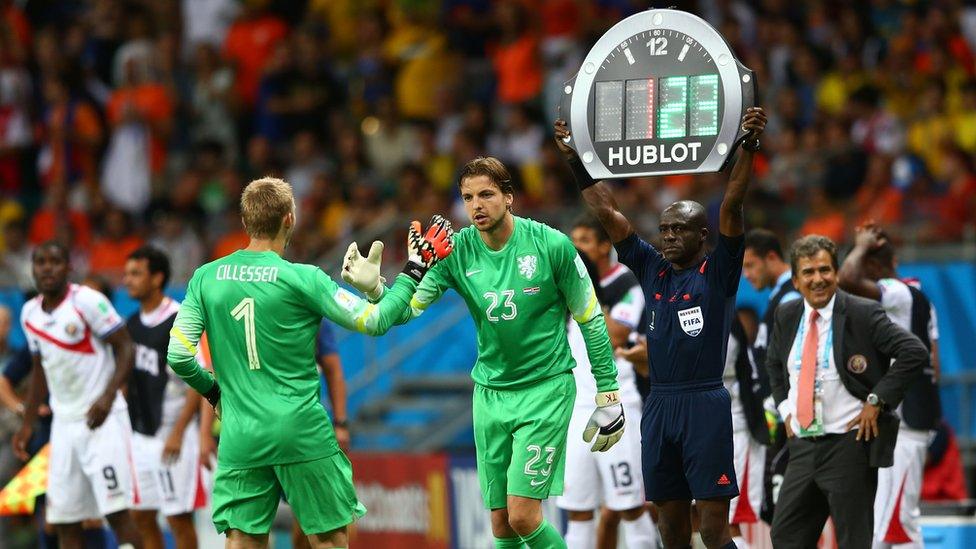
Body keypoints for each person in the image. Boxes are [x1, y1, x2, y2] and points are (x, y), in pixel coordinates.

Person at [342, 157, 625, 549]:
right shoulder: (454, 252)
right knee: (500, 524)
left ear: (509, 197)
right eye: (468, 197)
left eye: (487, 195)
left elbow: (591, 318)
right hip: (490, 394)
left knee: (523, 515)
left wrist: (608, 391)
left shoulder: (551, 245)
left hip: (545, 390)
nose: (477, 205)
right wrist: (377, 291)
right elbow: (404, 312)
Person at [166, 177, 453, 548]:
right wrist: (414, 268)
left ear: (245, 220)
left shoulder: (206, 278)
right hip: (299, 429)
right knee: (328, 541)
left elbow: (178, 355)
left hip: (240, 434)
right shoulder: (303, 279)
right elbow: (377, 320)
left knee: (242, 541)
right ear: (289, 219)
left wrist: (215, 393)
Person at [554, 108, 768, 549]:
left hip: (705, 404)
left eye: (679, 230)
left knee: (711, 529)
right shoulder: (653, 269)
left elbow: (732, 203)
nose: (668, 236)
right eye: (665, 229)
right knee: (669, 528)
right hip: (659, 406)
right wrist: (576, 160)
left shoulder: (718, 272)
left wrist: (747, 146)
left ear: (702, 236)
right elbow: (608, 213)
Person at [765, 235, 928, 548]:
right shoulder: (786, 316)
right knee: (785, 536)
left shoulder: (862, 313)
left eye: (825, 270)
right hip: (802, 447)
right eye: (809, 273)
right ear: (796, 281)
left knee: (854, 541)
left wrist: (877, 400)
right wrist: (785, 409)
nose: (818, 279)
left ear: (836, 273)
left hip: (849, 447)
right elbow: (773, 364)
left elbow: (913, 351)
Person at [12, 241, 144, 549]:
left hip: (103, 420)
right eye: (40, 262)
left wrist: (107, 397)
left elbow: (126, 347)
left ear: (68, 268)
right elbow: (40, 370)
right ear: (33, 269)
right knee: (65, 520)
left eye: (54, 262)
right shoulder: (30, 313)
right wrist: (28, 423)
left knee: (117, 513)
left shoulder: (87, 301)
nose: (47, 268)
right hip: (64, 425)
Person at [837, 223, 943, 549]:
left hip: (907, 419)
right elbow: (935, 364)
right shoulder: (921, 298)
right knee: (886, 521)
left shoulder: (896, 293)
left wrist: (859, 245)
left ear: (871, 267)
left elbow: (846, 280)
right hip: (908, 414)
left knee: (898, 523)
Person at [559, 217, 657, 549]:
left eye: (584, 240)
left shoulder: (625, 283)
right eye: (573, 240)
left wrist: (584, 300)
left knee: (629, 504)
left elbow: (614, 336)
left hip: (616, 407)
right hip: (576, 413)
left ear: (604, 247)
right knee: (577, 508)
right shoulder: (567, 286)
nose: (576, 248)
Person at [122, 246, 208, 549]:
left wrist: (178, 431)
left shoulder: (179, 319)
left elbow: (199, 381)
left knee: (178, 520)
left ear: (157, 278)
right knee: (141, 514)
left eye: (136, 274)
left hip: (173, 436)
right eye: (126, 274)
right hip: (142, 433)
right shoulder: (132, 324)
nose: (128, 280)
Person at [741, 228, 801, 525]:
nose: (747, 275)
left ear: (772, 257)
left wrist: (777, 407)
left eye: (750, 265)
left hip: (784, 417)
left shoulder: (790, 297)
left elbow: (790, 362)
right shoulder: (779, 296)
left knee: (785, 514)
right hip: (778, 412)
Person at [290, 319, 350, 549]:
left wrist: (341, 423)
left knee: (311, 519)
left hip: (303, 430)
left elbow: (334, 371)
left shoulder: (314, 318)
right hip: (256, 430)